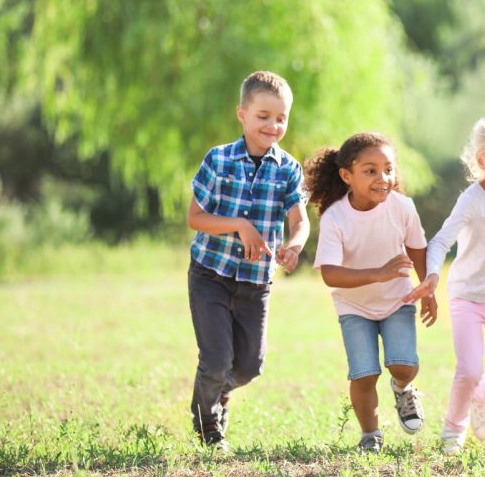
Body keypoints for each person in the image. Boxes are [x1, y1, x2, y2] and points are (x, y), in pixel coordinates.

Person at [186, 70, 311, 452]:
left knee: (248, 368)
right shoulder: (219, 160)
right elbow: (195, 218)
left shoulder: (288, 168)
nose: (273, 125)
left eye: (281, 118)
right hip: (210, 273)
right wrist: (239, 225)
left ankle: (218, 393)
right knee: (216, 359)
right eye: (263, 116)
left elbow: (300, 220)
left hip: (257, 282)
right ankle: (208, 424)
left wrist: (295, 244)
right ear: (242, 114)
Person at [404, 114, 485, 455]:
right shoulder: (472, 200)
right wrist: (432, 274)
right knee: (469, 369)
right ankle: (453, 428)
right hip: (467, 294)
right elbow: (440, 242)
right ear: (481, 161)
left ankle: (480, 400)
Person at [306, 132, 437, 454]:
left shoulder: (402, 206)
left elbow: (417, 248)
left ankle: (403, 389)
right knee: (364, 373)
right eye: (371, 171)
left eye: (388, 169)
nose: (383, 178)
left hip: (398, 300)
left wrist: (427, 287)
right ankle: (370, 435)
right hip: (353, 307)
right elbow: (330, 274)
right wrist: (377, 274)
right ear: (347, 176)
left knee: (403, 365)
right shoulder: (336, 217)